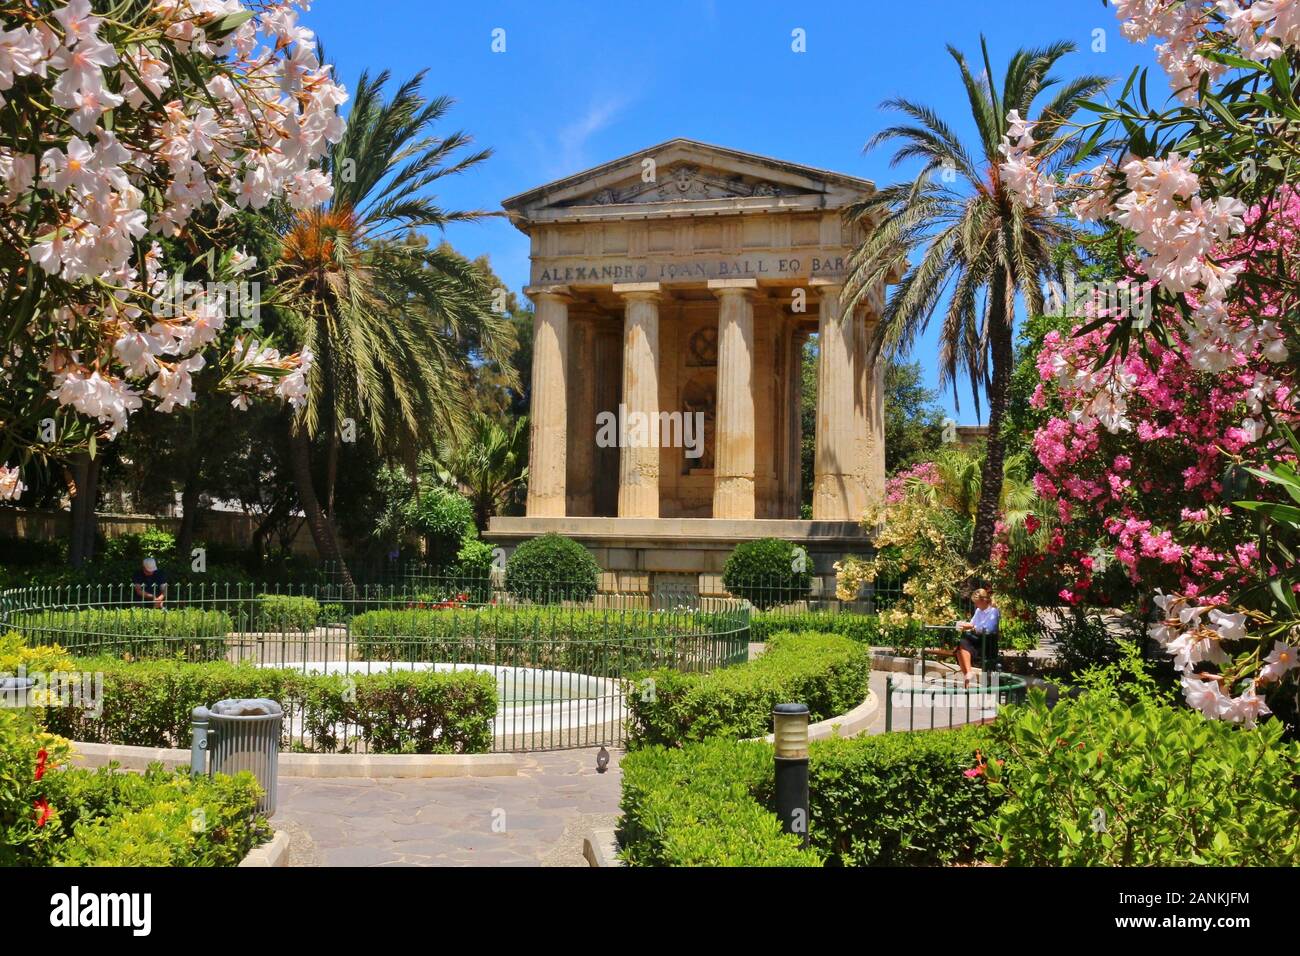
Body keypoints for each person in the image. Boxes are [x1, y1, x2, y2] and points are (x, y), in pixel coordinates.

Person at [954, 588, 1000, 686]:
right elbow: (972, 623)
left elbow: (989, 629)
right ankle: (968, 674)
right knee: (960, 648)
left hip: (987, 643)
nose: (976, 605)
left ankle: (968, 676)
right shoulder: (979, 610)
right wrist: (963, 625)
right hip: (977, 640)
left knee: (963, 641)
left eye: (977, 603)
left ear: (984, 600)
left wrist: (973, 627)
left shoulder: (994, 611)